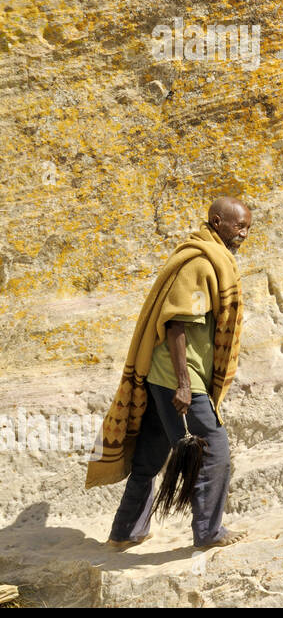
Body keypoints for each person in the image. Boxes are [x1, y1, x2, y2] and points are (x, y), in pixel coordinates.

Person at [87, 196, 252, 551]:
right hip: (178, 378)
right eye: (239, 226)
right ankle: (208, 532)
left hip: (164, 377)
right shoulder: (200, 264)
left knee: (149, 455)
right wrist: (182, 385)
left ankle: (125, 532)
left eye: (248, 228)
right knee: (215, 448)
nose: (244, 234)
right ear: (217, 221)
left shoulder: (210, 258)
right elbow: (176, 322)